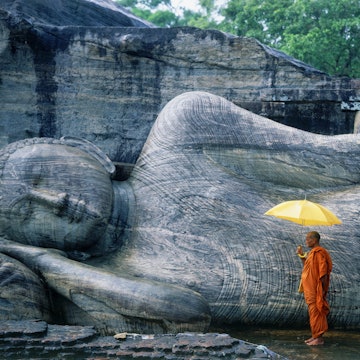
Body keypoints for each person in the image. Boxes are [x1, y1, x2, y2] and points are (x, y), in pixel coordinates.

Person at [297, 231, 332, 346]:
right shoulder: (312, 253)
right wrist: (301, 255)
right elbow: (308, 268)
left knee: (316, 311)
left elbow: (323, 272)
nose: (306, 241)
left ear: (314, 240)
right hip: (310, 287)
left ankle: (319, 338)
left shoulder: (319, 253)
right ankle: (314, 336)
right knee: (313, 312)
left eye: (308, 239)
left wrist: (320, 288)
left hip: (316, 288)